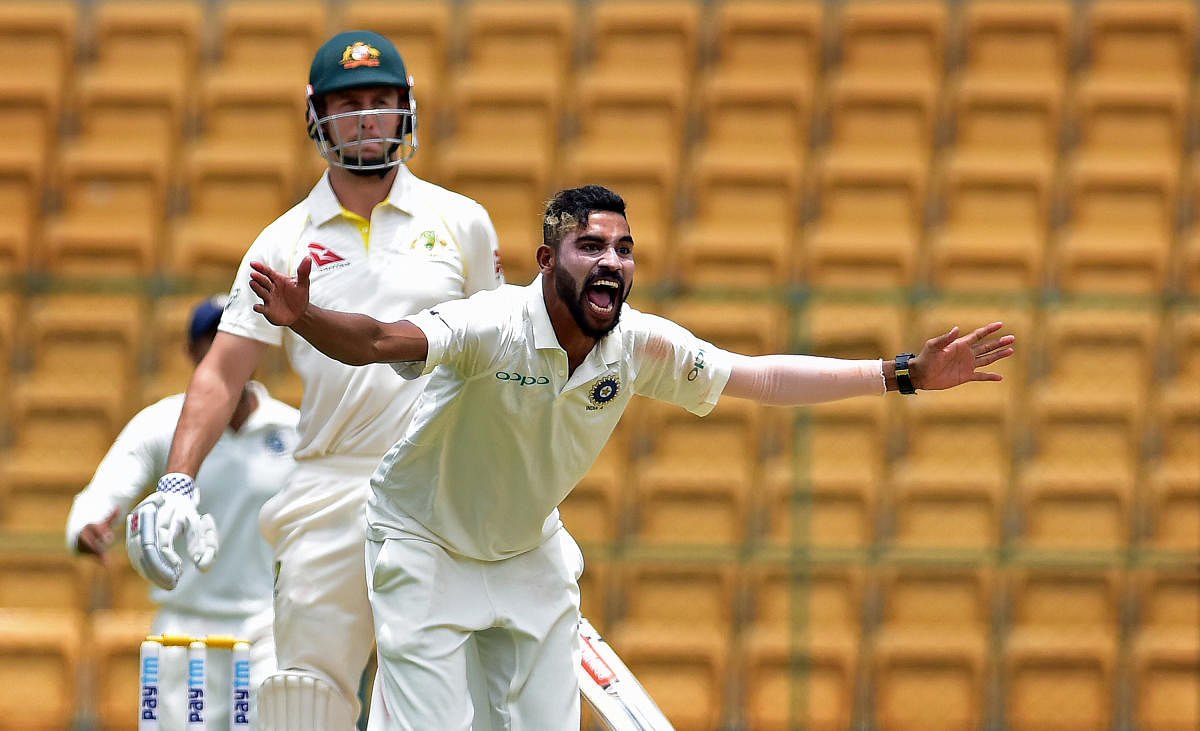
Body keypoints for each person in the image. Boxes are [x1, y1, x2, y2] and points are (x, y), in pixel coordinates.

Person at [246, 184, 1018, 730]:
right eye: (590, 246)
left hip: (525, 551)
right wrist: (305, 316)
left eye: (623, 247)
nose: (610, 260)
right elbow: (382, 341)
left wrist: (902, 373)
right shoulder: (491, 324)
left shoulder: (638, 345)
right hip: (421, 539)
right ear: (548, 260)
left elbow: (758, 375)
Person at [123, 30, 505, 730]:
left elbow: (504, 359)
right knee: (300, 697)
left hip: (437, 487)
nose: (365, 117)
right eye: (348, 102)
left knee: (435, 704)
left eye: (380, 101)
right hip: (328, 484)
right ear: (315, 115)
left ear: (407, 110)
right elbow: (221, 372)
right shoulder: (283, 239)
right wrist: (177, 479)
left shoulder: (463, 224)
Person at [67, 295, 299, 731]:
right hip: (183, 626)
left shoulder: (293, 429)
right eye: (211, 339)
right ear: (191, 352)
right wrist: (89, 527)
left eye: (236, 337)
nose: (225, 350)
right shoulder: (160, 423)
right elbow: (106, 491)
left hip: (268, 627)